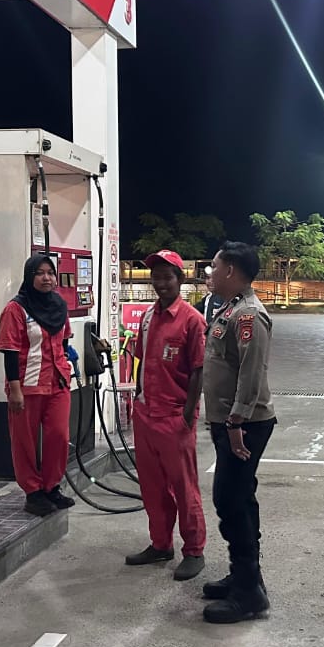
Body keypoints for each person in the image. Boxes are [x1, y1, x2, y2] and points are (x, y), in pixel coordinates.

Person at [199, 241, 276, 624]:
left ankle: (248, 594)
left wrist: (235, 423)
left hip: (243, 425)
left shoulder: (249, 315)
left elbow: (251, 375)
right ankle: (246, 577)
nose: (209, 272)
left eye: (214, 266)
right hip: (229, 422)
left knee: (229, 500)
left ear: (230, 270)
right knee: (239, 498)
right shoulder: (229, 308)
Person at [125, 249, 209, 581]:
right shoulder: (148, 317)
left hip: (175, 417)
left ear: (180, 279)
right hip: (145, 414)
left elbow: (199, 370)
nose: (160, 283)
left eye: (167, 277)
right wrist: (138, 398)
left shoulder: (192, 320)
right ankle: (161, 544)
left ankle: (194, 550)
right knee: (152, 486)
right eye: (156, 277)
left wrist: (187, 415)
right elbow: (143, 360)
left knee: (184, 487)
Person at [0, 254, 78, 517]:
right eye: (40, 273)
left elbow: (64, 341)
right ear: (29, 276)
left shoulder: (59, 305)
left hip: (58, 383)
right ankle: (33, 493)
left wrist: (66, 366)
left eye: (50, 273)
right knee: (25, 441)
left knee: (59, 436)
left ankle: (51, 486)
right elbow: (10, 350)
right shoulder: (15, 309)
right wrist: (15, 389)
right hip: (27, 386)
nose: (47, 278)